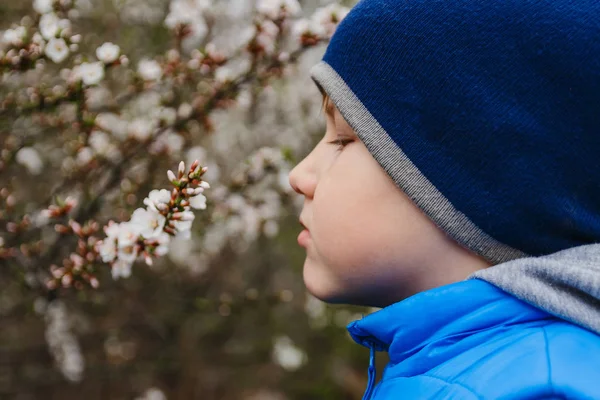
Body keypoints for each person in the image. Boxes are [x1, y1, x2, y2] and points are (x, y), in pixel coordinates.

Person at [288, 0, 600, 398]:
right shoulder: (472, 370)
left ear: (486, 182)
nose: (298, 176)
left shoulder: (538, 390)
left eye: (345, 139)